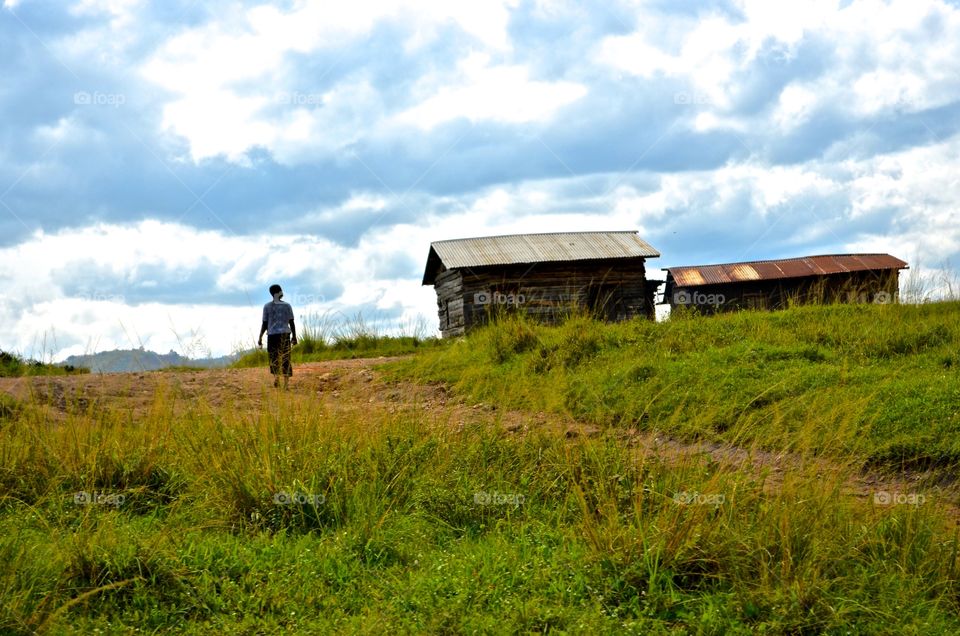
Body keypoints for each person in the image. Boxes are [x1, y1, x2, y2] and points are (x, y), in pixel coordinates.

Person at [258, 284, 297, 388]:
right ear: (278, 292)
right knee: (286, 358)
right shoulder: (287, 306)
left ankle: (276, 379)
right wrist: (294, 337)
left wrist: (260, 337)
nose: (282, 292)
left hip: (272, 335)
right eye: (281, 291)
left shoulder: (267, 306)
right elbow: (292, 322)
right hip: (284, 335)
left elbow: (264, 324)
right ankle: (286, 385)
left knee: (274, 358)